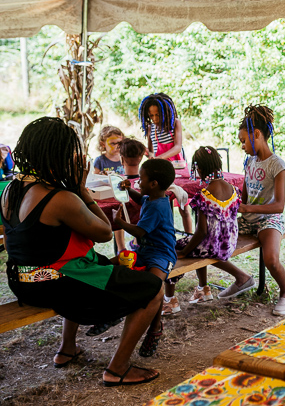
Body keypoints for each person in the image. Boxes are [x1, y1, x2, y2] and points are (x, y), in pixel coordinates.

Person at [0, 117, 163, 386]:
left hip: (21, 281)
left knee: (84, 263)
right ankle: (118, 368)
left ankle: (67, 348)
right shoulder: (61, 198)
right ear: (55, 156)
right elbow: (103, 232)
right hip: (54, 284)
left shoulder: (10, 191)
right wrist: (80, 190)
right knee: (153, 288)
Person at [162, 146, 244, 313]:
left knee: (171, 250)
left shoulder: (204, 196)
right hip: (229, 241)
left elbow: (202, 232)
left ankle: (170, 300)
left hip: (213, 246)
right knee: (193, 242)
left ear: (198, 168)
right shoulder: (234, 190)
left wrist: (185, 251)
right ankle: (203, 289)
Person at [114, 158, 177, 358]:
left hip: (161, 253)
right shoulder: (153, 198)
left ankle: (155, 328)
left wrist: (120, 223)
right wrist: (129, 189)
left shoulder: (158, 206)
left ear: (153, 184)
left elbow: (140, 231)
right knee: (119, 268)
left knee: (154, 285)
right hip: (145, 251)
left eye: (140, 179)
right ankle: (115, 311)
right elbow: (141, 199)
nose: (137, 182)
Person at [236, 105, 285, 316]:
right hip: (248, 219)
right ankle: (241, 279)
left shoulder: (277, 165)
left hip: (269, 219)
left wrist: (247, 207)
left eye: (243, 140)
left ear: (256, 134)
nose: (242, 146)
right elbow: (244, 195)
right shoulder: (249, 162)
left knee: (270, 259)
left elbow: (279, 205)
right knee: (213, 239)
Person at [138, 93, 193, 236]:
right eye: (151, 116)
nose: (155, 119)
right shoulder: (151, 128)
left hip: (178, 169)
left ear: (165, 113)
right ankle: (166, 236)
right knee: (162, 203)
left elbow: (177, 147)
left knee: (183, 206)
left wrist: (159, 158)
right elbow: (151, 150)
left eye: (158, 115)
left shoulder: (175, 123)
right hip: (159, 171)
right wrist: (148, 154)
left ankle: (188, 236)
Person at [92, 126, 126, 252]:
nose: (117, 146)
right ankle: (121, 248)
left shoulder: (123, 158)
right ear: (103, 144)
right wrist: (100, 176)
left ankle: (126, 245)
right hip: (106, 196)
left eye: (120, 143)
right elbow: (94, 178)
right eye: (113, 143)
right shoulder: (100, 160)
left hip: (120, 195)